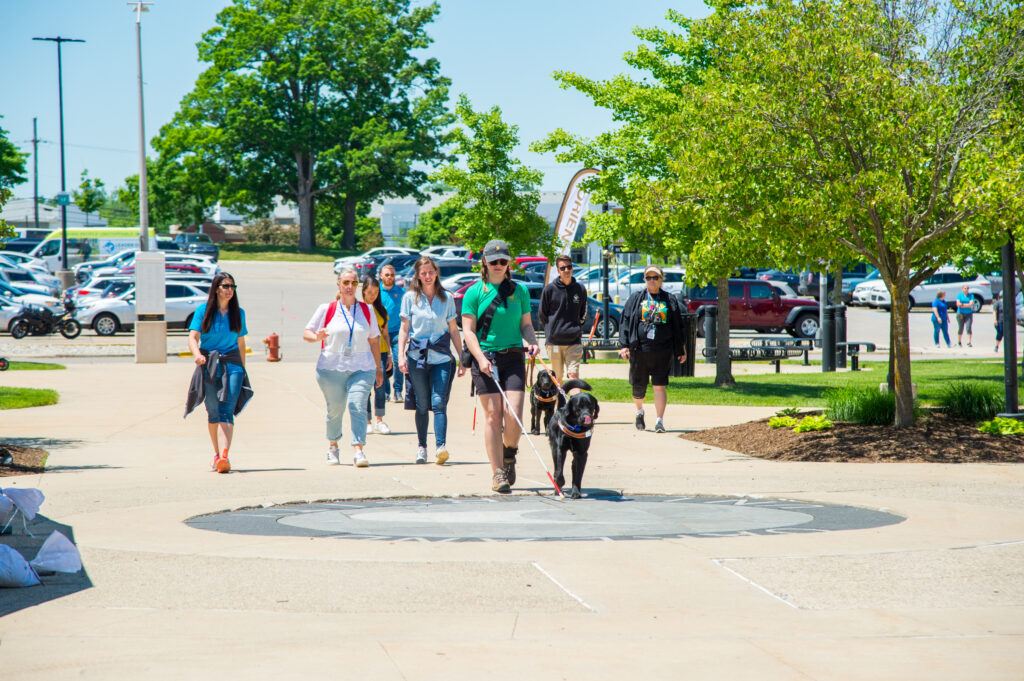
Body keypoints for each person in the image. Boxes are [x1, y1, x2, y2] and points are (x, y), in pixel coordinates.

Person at [462, 239, 539, 493]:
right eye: (493, 261)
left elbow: (526, 325)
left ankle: (509, 453)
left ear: (509, 263)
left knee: (514, 415)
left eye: (503, 261)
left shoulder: (520, 291)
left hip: (513, 357)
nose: (498, 265)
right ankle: (497, 473)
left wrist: (533, 342)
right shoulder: (474, 292)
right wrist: (481, 358)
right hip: (486, 359)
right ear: (484, 262)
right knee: (494, 416)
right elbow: (468, 331)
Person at [303, 267, 383, 468]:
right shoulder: (327, 309)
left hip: (362, 368)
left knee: (357, 405)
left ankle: (358, 450)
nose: (349, 287)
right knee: (335, 410)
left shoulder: (367, 310)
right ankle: (333, 446)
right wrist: (317, 337)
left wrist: (378, 368)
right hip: (331, 369)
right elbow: (307, 333)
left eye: (354, 283)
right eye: (346, 283)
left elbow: (374, 340)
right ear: (339, 284)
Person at [398, 257, 464, 464]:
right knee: (422, 403)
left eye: (431, 272)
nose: (427, 276)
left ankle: (441, 447)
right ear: (418, 275)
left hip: (442, 358)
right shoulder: (409, 298)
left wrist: (462, 357)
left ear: (436, 273)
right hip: (416, 358)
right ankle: (421, 447)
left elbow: (453, 329)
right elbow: (404, 329)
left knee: (438, 402)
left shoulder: (446, 298)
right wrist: (400, 355)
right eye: (423, 273)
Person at [186, 272, 251, 474]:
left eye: (232, 286)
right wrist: (197, 354)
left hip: (233, 365)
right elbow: (193, 337)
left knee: (226, 410)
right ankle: (216, 454)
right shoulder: (203, 311)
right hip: (209, 363)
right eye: (225, 286)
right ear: (216, 288)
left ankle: (224, 455)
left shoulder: (238, 313)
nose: (229, 290)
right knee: (213, 411)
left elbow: (241, 343)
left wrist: (243, 369)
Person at [618, 265, 687, 434]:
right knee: (638, 389)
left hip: (662, 350)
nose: (652, 281)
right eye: (648, 278)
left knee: (659, 386)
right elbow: (625, 322)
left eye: (655, 277)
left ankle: (659, 421)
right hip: (639, 350)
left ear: (661, 279)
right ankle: (639, 411)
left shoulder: (669, 300)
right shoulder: (636, 298)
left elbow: (677, 326)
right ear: (644, 280)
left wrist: (681, 348)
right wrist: (624, 345)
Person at [539, 255, 588, 384]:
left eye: (569, 267)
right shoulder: (549, 289)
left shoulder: (580, 289)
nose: (566, 270)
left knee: (574, 377)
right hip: (554, 341)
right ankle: (560, 404)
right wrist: (552, 330)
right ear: (558, 270)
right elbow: (542, 314)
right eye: (563, 268)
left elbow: (583, 313)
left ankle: (575, 404)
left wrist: (576, 328)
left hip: (574, 341)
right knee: (557, 379)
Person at [361, 275, 394, 434]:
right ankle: (367, 421)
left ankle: (379, 420)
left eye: (376, 292)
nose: (373, 295)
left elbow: (386, 333)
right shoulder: (359, 308)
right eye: (369, 292)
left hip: (380, 351)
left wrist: (389, 355)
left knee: (380, 387)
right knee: (365, 388)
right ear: (363, 292)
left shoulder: (382, 309)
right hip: (363, 352)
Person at [379, 263, 406, 403]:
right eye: (387, 275)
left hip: (397, 332)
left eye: (392, 275)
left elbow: (408, 314)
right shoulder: (376, 292)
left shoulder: (402, 292)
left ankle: (397, 391)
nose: (390, 277)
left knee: (397, 360)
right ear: (381, 276)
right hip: (380, 333)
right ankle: (385, 392)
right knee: (383, 363)